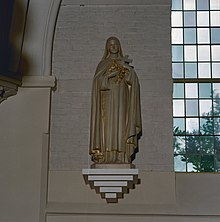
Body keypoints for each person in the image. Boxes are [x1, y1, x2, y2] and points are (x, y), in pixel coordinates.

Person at [89, 36, 142, 164]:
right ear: (107, 47)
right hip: (106, 101)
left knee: (121, 124)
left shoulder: (124, 63)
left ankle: (121, 155)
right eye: (111, 44)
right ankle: (107, 156)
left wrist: (128, 70)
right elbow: (97, 83)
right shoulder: (103, 64)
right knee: (108, 126)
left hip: (122, 99)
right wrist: (109, 76)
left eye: (116, 44)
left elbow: (133, 82)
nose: (113, 47)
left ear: (119, 47)